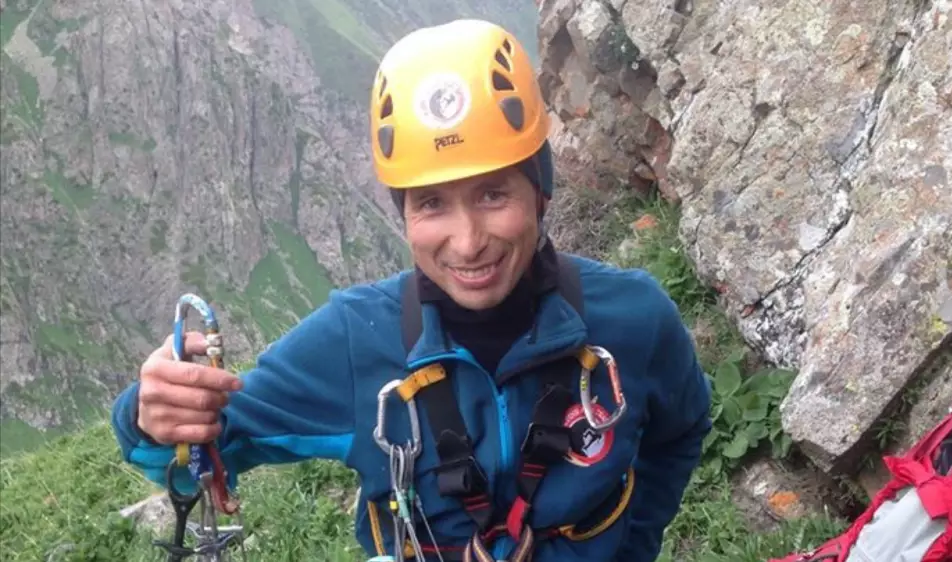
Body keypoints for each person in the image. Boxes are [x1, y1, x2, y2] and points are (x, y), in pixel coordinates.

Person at [110, 18, 712, 562]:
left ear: (541, 191)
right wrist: (150, 417)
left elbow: (680, 431)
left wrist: (635, 545)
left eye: (493, 194)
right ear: (403, 214)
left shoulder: (633, 320)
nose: (467, 242)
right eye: (431, 204)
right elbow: (194, 460)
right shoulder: (355, 340)